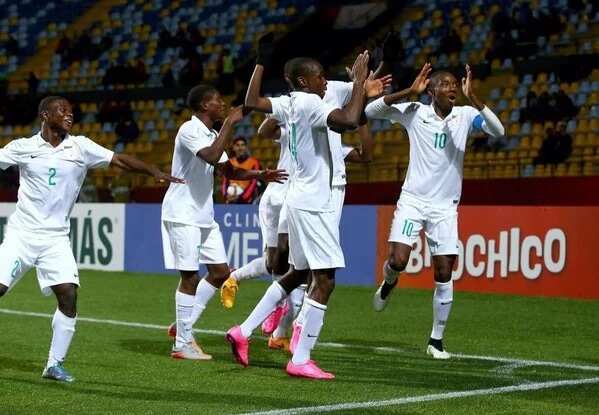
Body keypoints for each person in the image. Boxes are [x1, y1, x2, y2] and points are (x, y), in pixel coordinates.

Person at [225, 44, 388, 379]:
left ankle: (243, 330)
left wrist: (260, 62)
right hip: (314, 203)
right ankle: (300, 358)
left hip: (297, 199)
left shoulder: (290, 102)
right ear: (304, 80)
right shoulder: (312, 102)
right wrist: (357, 83)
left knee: (298, 273)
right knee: (325, 279)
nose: (325, 82)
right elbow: (349, 119)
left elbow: (253, 101)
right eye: (319, 77)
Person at [0, 96, 183, 383]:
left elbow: (119, 159)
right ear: (45, 115)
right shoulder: (23, 147)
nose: (70, 115)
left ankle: (54, 364)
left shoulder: (81, 147)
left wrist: (153, 171)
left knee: (69, 294)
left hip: (55, 239)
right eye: (62, 111)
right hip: (22, 235)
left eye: (72, 111)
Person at [365, 63, 505, 359]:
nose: (452, 88)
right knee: (398, 260)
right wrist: (407, 92)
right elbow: (370, 112)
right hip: (413, 201)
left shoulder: (466, 116)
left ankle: (436, 340)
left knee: (444, 270)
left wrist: (475, 98)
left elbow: (498, 130)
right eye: (445, 84)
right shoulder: (415, 112)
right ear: (430, 90)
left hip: (445, 208)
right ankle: (389, 281)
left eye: (455, 84)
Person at [161, 84, 287, 360]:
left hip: (203, 214)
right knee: (190, 276)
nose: (223, 104)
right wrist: (230, 123)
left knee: (219, 272)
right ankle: (182, 343)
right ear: (205, 106)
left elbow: (227, 168)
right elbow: (208, 155)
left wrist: (259, 175)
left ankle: (184, 325)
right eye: (218, 101)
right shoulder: (189, 130)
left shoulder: (211, 133)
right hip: (182, 213)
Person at [220, 137, 261, 204]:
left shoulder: (254, 162)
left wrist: (241, 197)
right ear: (233, 147)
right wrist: (226, 196)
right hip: (230, 199)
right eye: (237, 145)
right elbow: (225, 182)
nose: (240, 148)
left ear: (246, 147)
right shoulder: (229, 162)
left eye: (242, 145)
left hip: (246, 201)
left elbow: (253, 183)